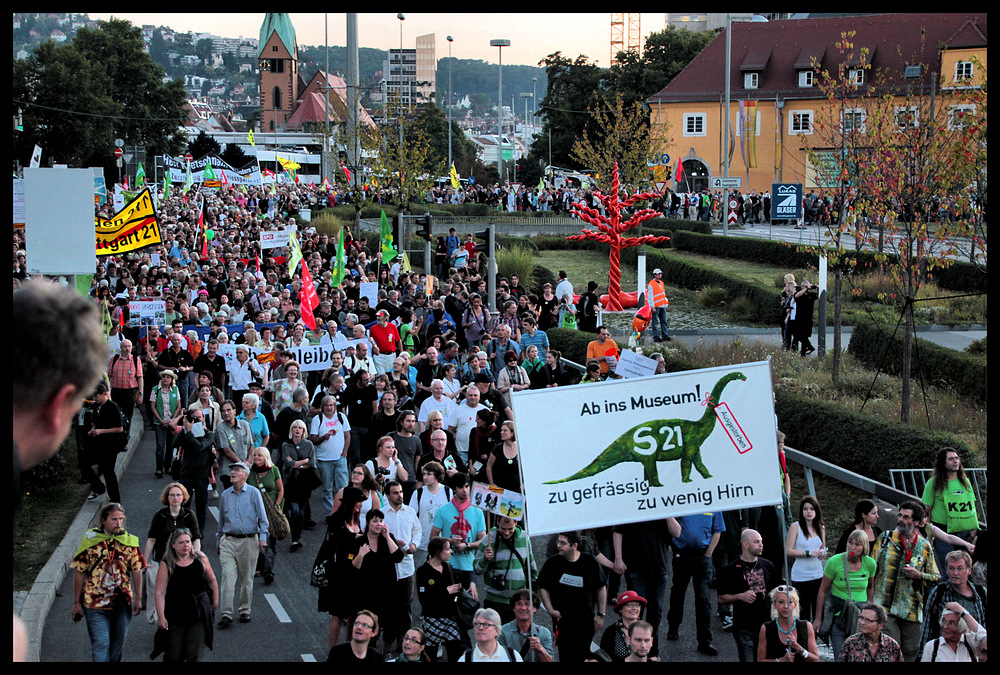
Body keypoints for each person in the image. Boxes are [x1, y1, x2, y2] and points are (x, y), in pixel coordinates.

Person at [70, 503, 146, 662]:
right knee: (101, 643)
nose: (118, 523)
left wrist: (138, 597)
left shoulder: (129, 542)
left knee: (117, 646)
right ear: (103, 520)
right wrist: (77, 602)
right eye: (114, 519)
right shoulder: (90, 541)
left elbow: (137, 571)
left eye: (120, 519)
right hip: (94, 604)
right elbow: (79, 572)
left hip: (122, 603)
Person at [871, 501, 940, 661]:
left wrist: (919, 576)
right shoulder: (886, 538)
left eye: (906, 517)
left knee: (910, 652)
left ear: (916, 522)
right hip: (885, 607)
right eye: (900, 515)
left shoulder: (925, 546)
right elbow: (871, 570)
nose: (900, 519)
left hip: (911, 610)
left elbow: (936, 578)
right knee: (889, 650)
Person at [612, 517, 681, 655]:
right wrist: (618, 559)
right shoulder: (632, 507)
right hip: (636, 568)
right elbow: (618, 531)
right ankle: (632, 651)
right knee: (634, 613)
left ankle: (652, 651)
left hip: (659, 568)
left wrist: (667, 514)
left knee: (655, 612)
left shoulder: (665, 509)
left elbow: (677, 532)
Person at [538, 530, 608, 663]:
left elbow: (601, 587)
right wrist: (550, 610)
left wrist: (601, 614)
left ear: (574, 545)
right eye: (558, 542)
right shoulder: (553, 563)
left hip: (585, 622)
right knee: (566, 656)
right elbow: (543, 587)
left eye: (563, 543)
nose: (558, 545)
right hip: (563, 622)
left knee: (583, 656)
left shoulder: (590, 562)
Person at [215, 461, 269, 629]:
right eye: (231, 470)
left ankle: (245, 609)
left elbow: (263, 519)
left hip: (248, 541)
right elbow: (221, 521)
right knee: (228, 577)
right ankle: (226, 614)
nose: (233, 472)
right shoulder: (225, 495)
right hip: (228, 540)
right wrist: (219, 540)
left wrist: (262, 538)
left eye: (237, 470)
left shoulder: (254, 493)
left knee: (246, 579)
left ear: (245, 475)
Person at [717, 528, 784, 662]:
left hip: (766, 626)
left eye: (761, 542)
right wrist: (740, 596)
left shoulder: (768, 565)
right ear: (745, 545)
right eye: (756, 542)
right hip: (744, 628)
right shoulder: (730, 570)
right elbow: (722, 598)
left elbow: (777, 593)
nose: (761, 545)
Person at [154, 528, 218, 662]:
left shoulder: (201, 559)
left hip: (198, 612)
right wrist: (161, 617)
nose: (186, 545)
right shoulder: (167, 563)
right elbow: (160, 592)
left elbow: (212, 580)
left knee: (195, 654)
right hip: (175, 614)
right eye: (181, 542)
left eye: (188, 542)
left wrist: (214, 603)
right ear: (173, 545)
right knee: (174, 654)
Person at [666, 512, 725, 656]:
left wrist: (709, 553)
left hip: (703, 556)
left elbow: (717, 530)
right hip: (682, 555)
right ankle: (673, 627)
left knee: (703, 598)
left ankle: (705, 641)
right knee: (678, 592)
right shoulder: (682, 500)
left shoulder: (712, 503)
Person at [143, 482, 203, 624]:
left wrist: (196, 555)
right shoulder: (160, 515)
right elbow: (151, 539)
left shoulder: (189, 515)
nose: (175, 498)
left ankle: (178, 621)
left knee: (181, 592)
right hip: (162, 560)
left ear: (183, 497)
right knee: (162, 591)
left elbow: (196, 537)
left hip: (183, 561)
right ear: (167, 497)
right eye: (172, 495)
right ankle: (162, 620)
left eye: (178, 495)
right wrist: (144, 561)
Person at [814, 528, 877, 660]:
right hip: (839, 615)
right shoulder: (834, 562)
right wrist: (818, 618)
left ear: (864, 547)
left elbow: (870, 587)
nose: (852, 547)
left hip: (860, 617)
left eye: (857, 544)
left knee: (859, 656)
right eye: (850, 543)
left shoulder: (870, 563)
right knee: (841, 656)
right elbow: (823, 590)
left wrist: (871, 611)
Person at [352, 508, 405, 652]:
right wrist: (361, 554)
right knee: (369, 625)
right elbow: (354, 566)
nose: (378, 524)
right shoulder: (360, 541)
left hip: (388, 591)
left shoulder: (388, 538)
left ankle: (386, 652)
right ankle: (368, 652)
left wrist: (388, 537)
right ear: (368, 523)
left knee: (390, 626)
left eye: (381, 521)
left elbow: (398, 557)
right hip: (367, 592)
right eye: (375, 521)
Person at [319, 487, 365, 647]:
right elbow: (336, 543)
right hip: (339, 573)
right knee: (338, 614)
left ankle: (348, 646)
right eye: (358, 502)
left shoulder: (356, 519)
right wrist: (355, 538)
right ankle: (333, 650)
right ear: (350, 502)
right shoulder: (337, 519)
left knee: (353, 613)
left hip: (355, 572)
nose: (360, 505)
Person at [921, 447, 979, 571]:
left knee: (965, 569)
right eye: (951, 459)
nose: (955, 461)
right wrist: (930, 532)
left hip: (964, 532)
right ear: (943, 462)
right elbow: (926, 510)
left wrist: (974, 528)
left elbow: (971, 505)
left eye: (957, 458)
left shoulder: (965, 482)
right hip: (943, 532)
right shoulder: (933, 483)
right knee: (948, 570)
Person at [473, 516, 537, 625]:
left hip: (519, 602)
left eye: (510, 529)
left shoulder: (524, 538)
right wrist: (485, 559)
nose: (506, 533)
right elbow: (477, 569)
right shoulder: (489, 539)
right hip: (495, 602)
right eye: (503, 529)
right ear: (497, 522)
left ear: (516, 522)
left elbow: (532, 568)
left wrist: (535, 597)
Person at [919, 549, 987, 650]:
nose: (955, 573)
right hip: (946, 651)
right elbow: (927, 627)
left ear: (969, 570)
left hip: (974, 651)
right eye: (951, 568)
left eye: (960, 568)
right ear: (946, 570)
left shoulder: (980, 592)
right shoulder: (939, 592)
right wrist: (923, 653)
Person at [381, 481, 422, 652]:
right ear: (388, 495)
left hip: (406, 568)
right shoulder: (382, 514)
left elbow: (418, 531)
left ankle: (403, 647)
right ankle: (386, 647)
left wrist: (413, 545)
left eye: (401, 492)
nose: (400, 495)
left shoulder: (410, 512)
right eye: (396, 493)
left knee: (405, 608)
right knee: (388, 610)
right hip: (387, 570)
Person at [429, 472, 486, 590]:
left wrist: (467, 545)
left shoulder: (477, 511)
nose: (465, 490)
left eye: (467, 486)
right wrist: (450, 541)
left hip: (470, 567)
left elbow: (483, 541)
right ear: (454, 489)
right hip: (448, 565)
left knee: (470, 603)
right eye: (461, 487)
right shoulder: (442, 511)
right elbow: (433, 538)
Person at [416, 537, 467, 661]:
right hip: (432, 619)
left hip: (451, 618)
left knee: (455, 651)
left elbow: (458, 583)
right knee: (430, 654)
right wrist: (446, 591)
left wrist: (468, 586)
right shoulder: (423, 571)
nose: (451, 552)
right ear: (438, 552)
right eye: (448, 549)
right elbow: (424, 599)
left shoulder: (448, 566)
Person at [174, 408, 217, 535]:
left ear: (203, 418)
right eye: (194, 417)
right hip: (186, 474)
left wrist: (189, 433)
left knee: (201, 508)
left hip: (202, 475)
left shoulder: (208, 434)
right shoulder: (185, 431)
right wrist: (184, 429)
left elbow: (199, 447)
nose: (196, 420)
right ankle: (184, 532)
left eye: (199, 417)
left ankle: (199, 533)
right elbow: (174, 443)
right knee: (184, 507)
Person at [786, 495, 827, 622]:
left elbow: (822, 546)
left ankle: (815, 637)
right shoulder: (795, 527)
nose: (808, 512)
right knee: (802, 613)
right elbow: (788, 550)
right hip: (801, 576)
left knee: (818, 610)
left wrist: (822, 553)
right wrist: (807, 553)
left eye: (811, 509)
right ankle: (803, 638)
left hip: (817, 574)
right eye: (805, 509)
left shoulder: (821, 527)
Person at [247, 446, 283, 585]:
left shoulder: (274, 470)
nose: (256, 457)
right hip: (254, 512)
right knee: (256, 540)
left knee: (270, 542)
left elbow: (280, 490)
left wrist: (277, 505)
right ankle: (258, 566)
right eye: (255, 455)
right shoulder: (250, 473)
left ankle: (268, 571)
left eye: (259, 455)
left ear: (266, 457)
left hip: (270, 512)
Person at [310, 394, 351, 515]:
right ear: (322, 407)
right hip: (324, 459)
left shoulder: (341, 417)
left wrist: (344, 453)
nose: (329, 408)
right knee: (327, 488)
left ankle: (343, 512)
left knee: (342, 487)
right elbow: (314, 439)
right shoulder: (317, 419)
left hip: (340, 458)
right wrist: (324, 437)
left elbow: (347, 436)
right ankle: (330, 512)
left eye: (331, 405)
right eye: (327, 405)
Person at [756, 585, 820, 662]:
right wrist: (780, 660)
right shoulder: (766, 628)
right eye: (781, 602)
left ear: (795, 605)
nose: (786, 606)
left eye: (790, 602)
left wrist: (798, 648)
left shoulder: (806, 626)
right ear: (775, 604)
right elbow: (760, 660)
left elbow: (815, 659)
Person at [282, 419, 318, 552]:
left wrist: (296, 463)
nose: (297, 430)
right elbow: (287, 463)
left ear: (304, 431)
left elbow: (312, 463)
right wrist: (304, 461)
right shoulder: (286, 445)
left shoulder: (308, 445)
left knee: (301, 512)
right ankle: (295, 539)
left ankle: (298, 536)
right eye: (295, 427)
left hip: (304, 482)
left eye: (300, 428)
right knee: (295, 511)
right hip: (290, 482)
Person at [86, 382, 125, 503]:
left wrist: (101, 431)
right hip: (99, 444)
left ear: (104, 394)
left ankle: (115, 499)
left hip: (111, 445)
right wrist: (93, 429)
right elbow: (96, 422)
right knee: (84, 464)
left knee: (109, 472)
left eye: (96, 396)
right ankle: (98, 487)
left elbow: (119, 428)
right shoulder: (97, 407)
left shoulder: (112, 407)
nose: (95, 399)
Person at [499, 590, 554, 663]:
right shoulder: (503, 632)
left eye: (527, 604)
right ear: (513, 608)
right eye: (519, 604)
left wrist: (540, 650)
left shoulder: (544, 633)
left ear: (535, 608)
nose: (523, 608)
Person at [921, 602, 986, 662]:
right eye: (943, 621)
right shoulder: (932, 646)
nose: (945, 627)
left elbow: (984, 638)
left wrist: (963, 612)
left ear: (961, 628)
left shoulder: (970, 642)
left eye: (951, 623)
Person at [839, 602, 903, 662]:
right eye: (861, 618)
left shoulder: (892, 645)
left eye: (868, 620)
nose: (862, 623)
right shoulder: (851, 643)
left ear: (880, 625)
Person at [213, 399, 254, 491]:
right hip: (229, 471)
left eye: (228, 410)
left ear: (234, 411)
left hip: (246, 469)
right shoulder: (220, 428)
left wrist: (248, 461)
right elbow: (226, 450)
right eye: (223, 411)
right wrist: (240, 464)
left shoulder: (245, 425)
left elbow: (251, 445)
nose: (226, 413)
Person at [151, 370, 184, 480]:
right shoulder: (156, 390)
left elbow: (179, 406)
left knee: (171, 445)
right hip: (159, 421)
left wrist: (173, 419)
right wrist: (160, 420)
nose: (165, 379)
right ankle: (159, 468)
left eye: (168, 377)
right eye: (164, 377)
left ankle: (168, 466)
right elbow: (152, 406)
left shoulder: (175, 389)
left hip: (171, 422)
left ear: (171, 380)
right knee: (160, 446)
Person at [107, 339, 142, 442]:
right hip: (116, 392)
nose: (127, 349)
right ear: (121, 347)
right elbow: (108, 376)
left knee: (127, 417)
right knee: (115, 416)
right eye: (125, 346)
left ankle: (124, 439)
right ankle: (115, 438)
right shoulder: (114, 359)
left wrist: (141, 393)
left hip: (129, 392)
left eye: (129, 346)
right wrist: (108, 391)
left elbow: (140, 378)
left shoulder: (136, 360)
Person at [599, 590, 648, 662]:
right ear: (620, 609)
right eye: (630, 605)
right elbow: (604, 657)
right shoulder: (611, 632)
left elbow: (654, 656)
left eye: (637, 605)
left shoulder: (647, 630)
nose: (634, 608)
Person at [458, 608, 523, 661]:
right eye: (477, 624)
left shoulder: (513, 656)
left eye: (486, 624)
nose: (480, 628)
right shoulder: (465, 659)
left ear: (497, 631)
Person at [645, 268, 671, 342]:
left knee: (664, 321)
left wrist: (666, 303)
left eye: (660, 274)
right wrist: (652, 306)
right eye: (658, 274)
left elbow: (663, 294)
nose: (660, 275)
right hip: (656, 306)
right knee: (655, 322)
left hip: (662, 305)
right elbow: (650, 296)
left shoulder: (661, 283)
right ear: (655, 274)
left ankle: (665, 335)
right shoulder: (651, 284)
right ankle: (656, 337)